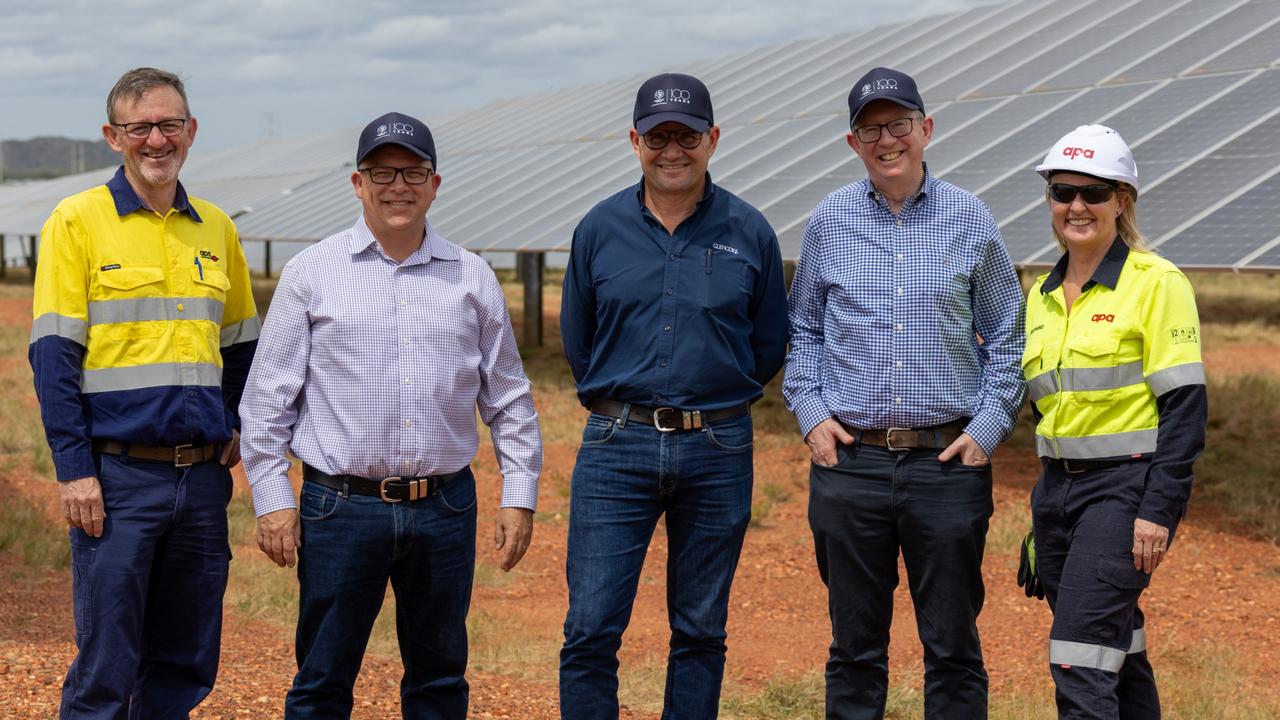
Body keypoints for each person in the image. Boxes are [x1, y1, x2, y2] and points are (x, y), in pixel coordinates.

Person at [239, 111, 543, 719]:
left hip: (444, 507)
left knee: (438, 679)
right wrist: (273, 499)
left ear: (436, 184)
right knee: (323, 678)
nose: (397, 186)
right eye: (382, 172)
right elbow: (267, 399)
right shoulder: (311, 273)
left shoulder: (471, 276)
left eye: (414, 172)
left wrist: (520, 494)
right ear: (358, 183)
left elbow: (508, 396)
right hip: (340, 508)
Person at [783, 66, 1026, 719]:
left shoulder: (970, 218)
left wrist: (989, 425)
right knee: (854, 649)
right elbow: (801, 328)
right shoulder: (830, 221)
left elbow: (1009, 331)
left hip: (946, 466)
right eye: (871, 129)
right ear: (853, 141)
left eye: (898, 125)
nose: (886, 139)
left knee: (951, 647)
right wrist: (810, 413)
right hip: (850, 466)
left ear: (926, 129)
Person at [29, 66, 259, 718]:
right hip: (117, 479)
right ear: (113, 136)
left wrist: (236, 419)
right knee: (107, 665)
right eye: (140, 127)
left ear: (191, 131)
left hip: (202, 480)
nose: (156, 140)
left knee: (184, 664)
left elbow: (241, 344)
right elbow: (53, 359)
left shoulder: (216, 228)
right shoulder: (76, 222)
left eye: (169, 125)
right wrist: (75, 472)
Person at [558, 72, 789, 719]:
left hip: (717, 446)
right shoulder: (598, 230)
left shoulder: (750, 231)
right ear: (634, 140)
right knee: (592, 626)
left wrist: (713, 396)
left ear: (712, 139)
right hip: (615, 445)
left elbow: (768, 344)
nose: (672, 149)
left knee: (699, 629)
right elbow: (580, 342)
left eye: (686, 135)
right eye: (657, 135)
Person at [1022, 125, 1206, 719]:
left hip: (1124, 491)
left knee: (1078, 658)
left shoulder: (1157, 283)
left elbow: (1184, 412)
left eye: (1095, 193)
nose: (1077, 206)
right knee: (1116, 648)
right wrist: (1047, 508)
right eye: (1062, 191)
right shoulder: (1041, 295)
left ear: (1122, 200)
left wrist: (1158, 510)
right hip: (1057, 494)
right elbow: (1047, 408)